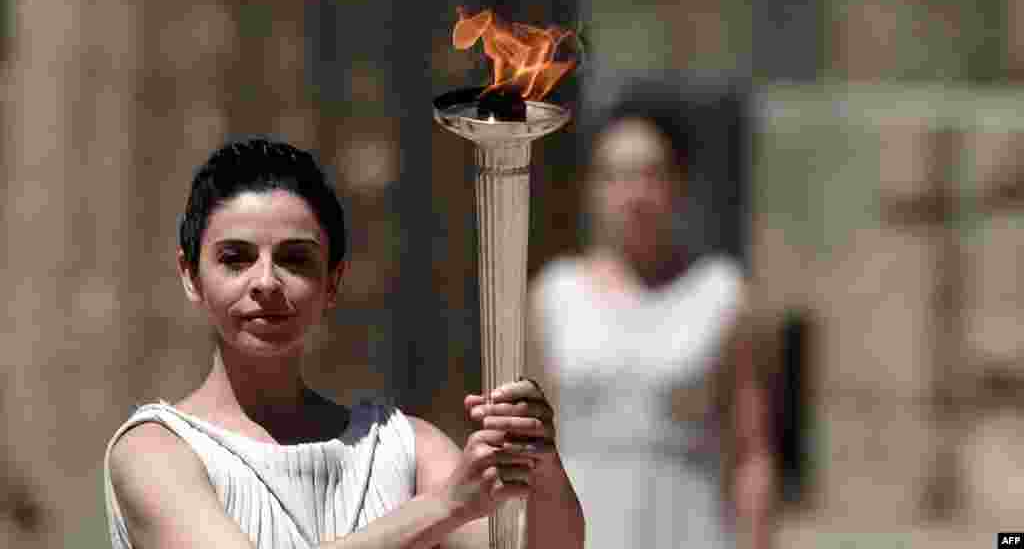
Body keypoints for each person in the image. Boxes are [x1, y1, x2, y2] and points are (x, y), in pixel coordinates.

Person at [102, 138, 584, 549]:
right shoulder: (153, 450)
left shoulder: (404, 448)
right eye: (235, 258)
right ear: (190, 276)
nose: (266, 281)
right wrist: (444, 506)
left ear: (333, 281)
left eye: (295, 259)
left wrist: (539, 462)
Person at [525, 80, 774, 549]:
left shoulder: (721, 294)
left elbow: (751, 456)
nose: (634, 194)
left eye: (650, 174)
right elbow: (524, 449)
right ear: (592, 188)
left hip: (689, 528)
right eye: (615, 176)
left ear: (678, 184)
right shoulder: (554, 296)